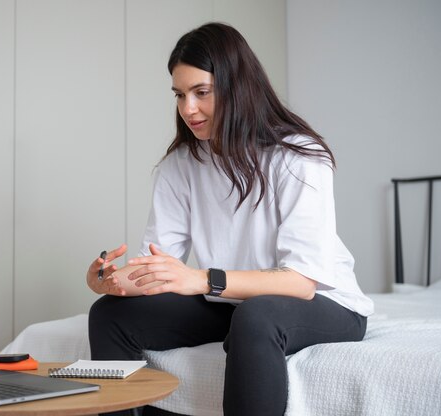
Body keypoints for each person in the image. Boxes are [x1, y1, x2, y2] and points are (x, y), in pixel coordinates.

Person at [86, 22, 374, 416]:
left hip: (324, 301)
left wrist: (203, 279)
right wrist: (108, 282)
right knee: (109, 315)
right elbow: (158, 269)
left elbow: (302, 282)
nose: (188, 108)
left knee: (258, 316)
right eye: (180, 95)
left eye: (201, 92)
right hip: (231, 301)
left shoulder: (299, 158)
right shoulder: (179, 166)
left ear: (237, 86)